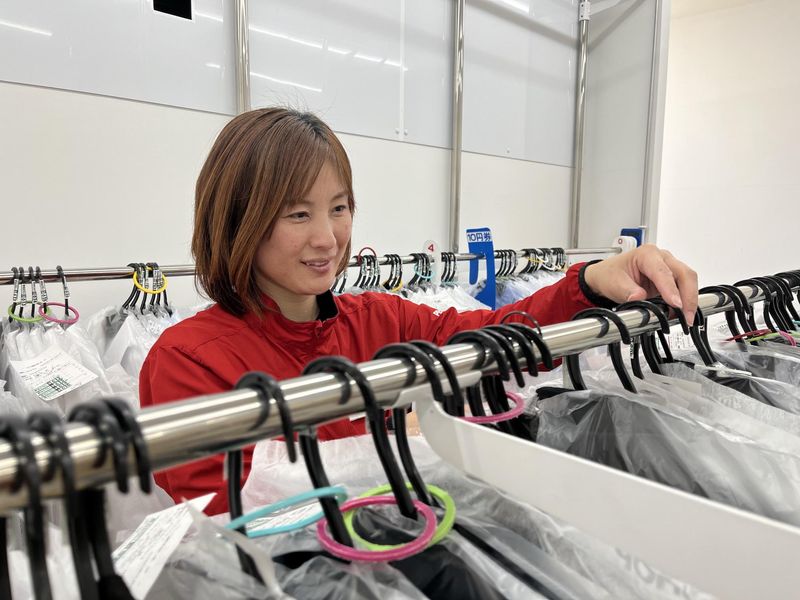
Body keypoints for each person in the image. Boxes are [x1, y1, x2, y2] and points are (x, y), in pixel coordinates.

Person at [139, 107, 699, 516]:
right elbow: (238, 519)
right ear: (239, 219)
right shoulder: (187, 361)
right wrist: (396, 439)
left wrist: (591, 283)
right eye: (298, 214)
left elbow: (496, 341)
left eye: (339, 208)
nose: (328, 238)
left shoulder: (380, 320)